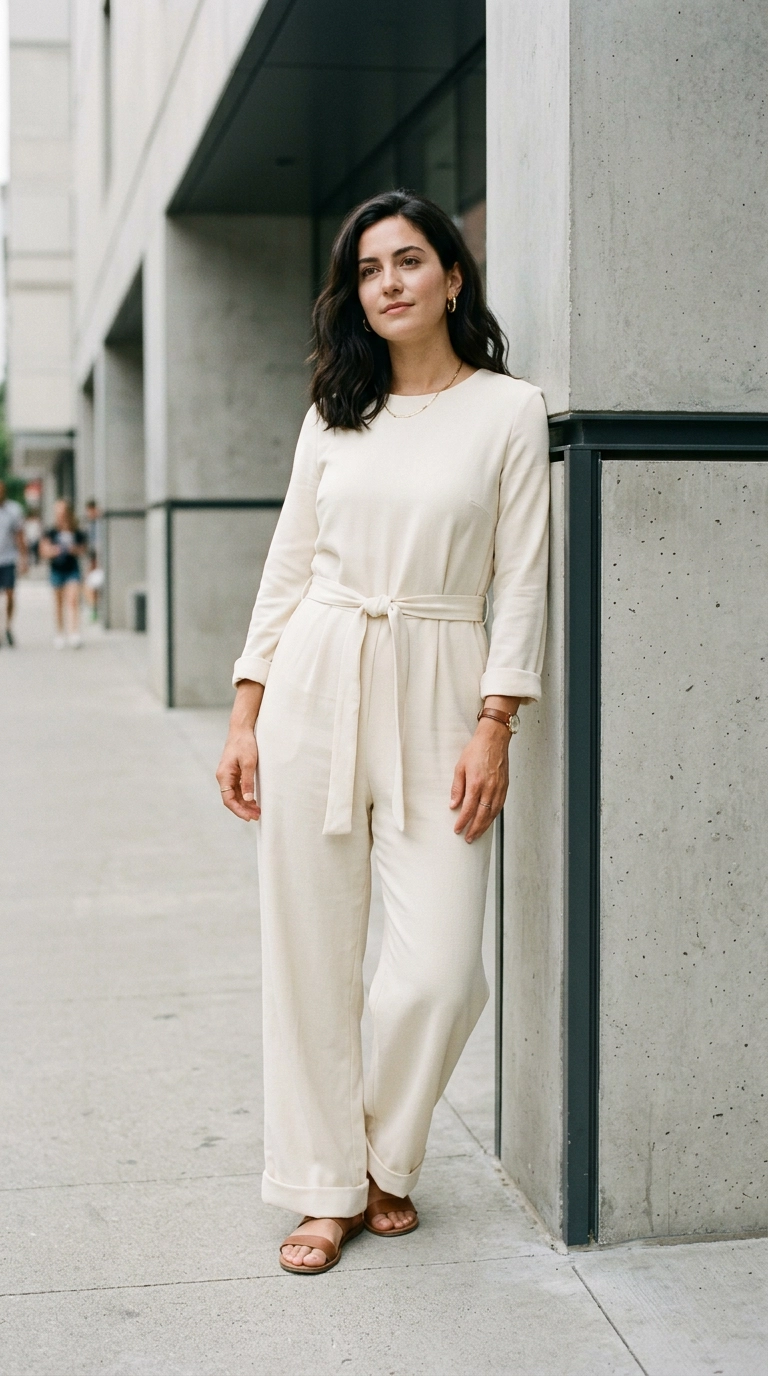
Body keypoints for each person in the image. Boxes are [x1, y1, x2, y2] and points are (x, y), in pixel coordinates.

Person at [216, 189, 550, 1275]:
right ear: (355, 293)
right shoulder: (334, 413)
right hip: (318, 668)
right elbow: (287, 568)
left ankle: (380, 1155)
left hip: (444, 681)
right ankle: (325, 1186)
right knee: (309, 953)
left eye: (410, 260)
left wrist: (496, 720)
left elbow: (525, 580)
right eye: (369, 269)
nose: (389, 282)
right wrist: (246, 710)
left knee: (441, 971)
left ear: (454, 277)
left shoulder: (508, 409)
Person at [39, 499, 87, 648]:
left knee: (73, 601)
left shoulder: (77, 531)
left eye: (63, 512)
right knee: (58, 604)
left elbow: (84, 549)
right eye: (58, 513)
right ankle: (60, 633)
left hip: (72, 569)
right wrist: (54, 551)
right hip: (56, 570)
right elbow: (43, 551)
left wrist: (74, 549)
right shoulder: (51, 532)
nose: (60, 515)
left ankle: (74, 633)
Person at [0, 479, 28, 646]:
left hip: (8, 559)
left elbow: (20, 535)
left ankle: (8, 626)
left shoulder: (14, 510)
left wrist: (24, 559)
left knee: (10, 595)